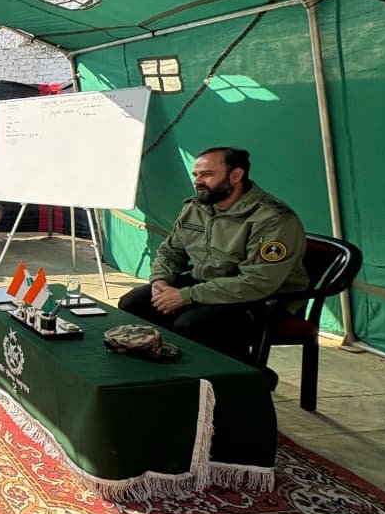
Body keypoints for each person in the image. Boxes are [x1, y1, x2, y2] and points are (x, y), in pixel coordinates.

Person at [118, 147, 307, 368]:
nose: (198, 181)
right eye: (196, 175)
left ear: (236, 175)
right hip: (206, 284)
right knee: (134, 304)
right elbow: (170, 252)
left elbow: (258, 282)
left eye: (207, 174)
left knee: (192, 324)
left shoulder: (273, 219)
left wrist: (186, 295)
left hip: (261, 300)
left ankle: (243, 376)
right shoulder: (196, 208)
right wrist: (160, 281)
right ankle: (161, 372)